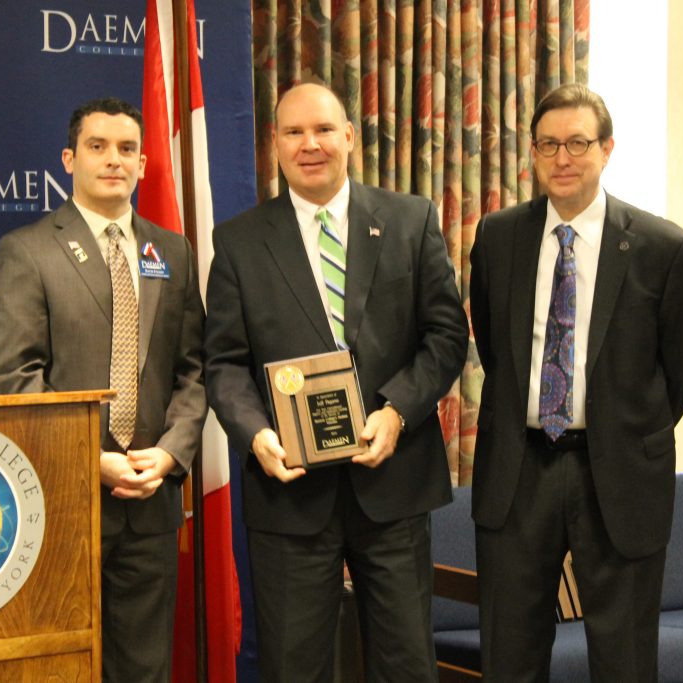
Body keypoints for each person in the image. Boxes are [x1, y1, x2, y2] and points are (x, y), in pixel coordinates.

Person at [204, 82, 468, 682]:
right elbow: (223, 363)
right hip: (289, 492)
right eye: (294, 132)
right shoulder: (240, 241)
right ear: (275, 144)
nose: (310, 144)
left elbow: (446, 337)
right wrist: (256, 436)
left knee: (406, 666)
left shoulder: (410, 220)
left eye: (323, 129)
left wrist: (397, 412)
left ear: (349, 135)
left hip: (393, 486)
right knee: (295, 669)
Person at [469, 83, 683, 681]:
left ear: (606, 150)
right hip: (518, 472)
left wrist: (621, 426)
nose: (562, 158)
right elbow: (495, 348)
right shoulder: (498, 238)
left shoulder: (664, 248)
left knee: (623, 658)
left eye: (577, 142)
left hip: (620, 475)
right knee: (510, 655)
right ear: (532, 153)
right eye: (547, 144)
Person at [0, 97, 206, 683]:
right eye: (98, 146)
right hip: (65, 499)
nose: (114, 160)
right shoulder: (28, 249)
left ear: (144, 163)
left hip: (152, 498)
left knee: (144, 669)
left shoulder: (174, 251)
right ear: (69, 158)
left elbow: (193, 371)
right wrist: (94, 462)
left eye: (127, 149)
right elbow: (16, 379)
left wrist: (171, 452)